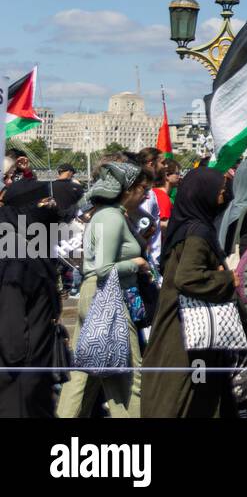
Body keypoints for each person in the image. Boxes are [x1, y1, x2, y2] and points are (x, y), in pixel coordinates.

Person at [140, 168, 240, 417]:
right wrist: (228, 278)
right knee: (187, 393)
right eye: (218, 190)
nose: (222, 194)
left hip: (182, 324)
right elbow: (188, 278)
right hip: (187, 329)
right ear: (201, 193)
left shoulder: (187, 226)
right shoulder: (197, 233)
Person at [57, 160, 152, 418]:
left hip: (98, 294)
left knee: (82, 373)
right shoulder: (111, 217)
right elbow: (103, 268)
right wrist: (135, 263)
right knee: (129, 375)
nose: (146, 193)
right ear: (127, 188)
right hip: (109, 296)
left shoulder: (107, 215)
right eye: (143, 188)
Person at [0, 175, 64, 417]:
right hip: (18, 377)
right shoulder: (17, 258)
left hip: (33, 373)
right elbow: (11, 328)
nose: (51, 211)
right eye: (44, 205)